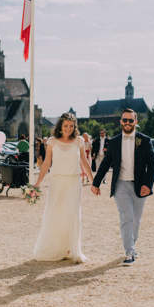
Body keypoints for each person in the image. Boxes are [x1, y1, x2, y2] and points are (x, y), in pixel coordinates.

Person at [91, 109, 154, 265]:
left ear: (135, 122)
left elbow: (152, 164)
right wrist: (96, 183)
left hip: (140, 184)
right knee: (126, 217)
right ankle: (129, 252)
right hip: (120, 184)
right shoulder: (113, 142)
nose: (127, 123)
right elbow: (106, 163)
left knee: (137, 218)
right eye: (125, 120)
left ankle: (132, 244)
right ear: (120, 121)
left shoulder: (145, 140)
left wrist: (148, 184)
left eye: (131, 120)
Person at [33, 112, 94, 264]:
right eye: (66, 126)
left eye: (71, 126)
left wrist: (94, 182)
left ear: (75, 127)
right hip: (57, 181)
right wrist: (37, 183)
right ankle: (57, 248)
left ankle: (72, 249)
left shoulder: (79, 140)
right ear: (60, 126)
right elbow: (46, 163)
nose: (68, 128)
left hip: (74, 182)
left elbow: (84, 162)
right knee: (55, 214)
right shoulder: (52, 141)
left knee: (73, 215)